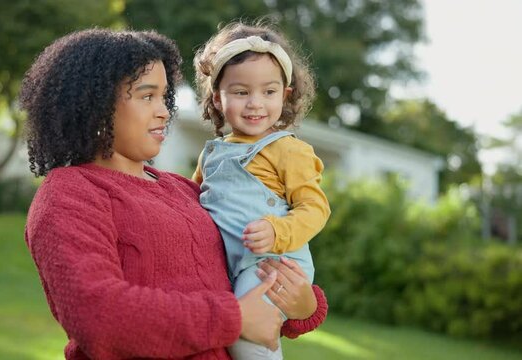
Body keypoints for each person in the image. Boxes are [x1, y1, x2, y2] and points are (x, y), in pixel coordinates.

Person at [20, 28, 328, 360]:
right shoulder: (70, 194)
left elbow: (244, 285)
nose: (165, 111)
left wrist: (304, 305)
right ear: (95, 104)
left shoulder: (186, 190)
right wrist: (233, 318)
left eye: (164, 96)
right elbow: (99, 315)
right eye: (146, 95)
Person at [192, 22, 331, 359]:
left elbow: (315, 208)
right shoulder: (212, 154)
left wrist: (276, 229)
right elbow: (190, 201)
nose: (256, 103)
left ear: (285, 95)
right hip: (231, 266)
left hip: (271, 265)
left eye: (268, 92)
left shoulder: (289, 150)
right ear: (217, 97)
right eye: (241, 92)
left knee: (248, 338)